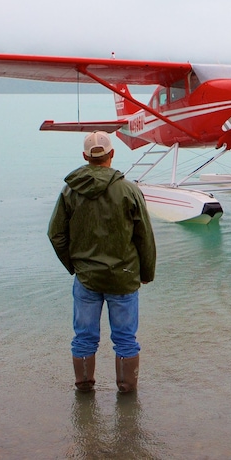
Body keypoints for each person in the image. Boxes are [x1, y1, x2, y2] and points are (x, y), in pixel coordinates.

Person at [48, 131, 157, 394]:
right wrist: (146, 272)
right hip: (124, 276)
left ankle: (84, 392)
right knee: (125, 340)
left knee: (84, 339)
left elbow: (56, 234)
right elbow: (144, 236)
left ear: (85, 156)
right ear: (112, 155)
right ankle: (127, 395)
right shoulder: (129, 189)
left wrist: (74, 266)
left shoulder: (70, 190)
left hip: (87, 279)